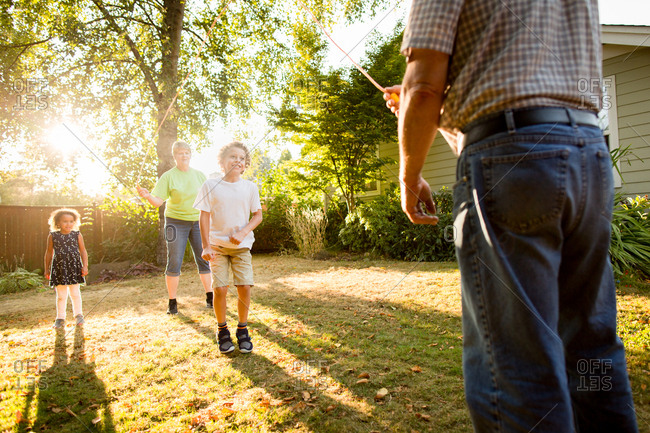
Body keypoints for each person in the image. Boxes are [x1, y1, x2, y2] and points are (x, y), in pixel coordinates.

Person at [384, 1, 639, 432]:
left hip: (513, 163)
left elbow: (425, 87)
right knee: (592, 351)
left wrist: (409, 178)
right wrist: (441, 112)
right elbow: (511, 95)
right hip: (589, 153)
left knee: (518, 364)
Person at [194, 141, 263, 354]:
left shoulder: (250, 187)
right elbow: (203, 216)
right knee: (220, 288)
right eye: (233, 156)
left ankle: (242, 329)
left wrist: (243, 233)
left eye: (242, 158)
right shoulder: (210, 185)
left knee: (244, 286)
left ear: (245, 165)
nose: (238, 160)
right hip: (217, 247)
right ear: (222, 162)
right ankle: (222, 330)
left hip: (242, 247)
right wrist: (205, 246)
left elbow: (258, 215)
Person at [137, 140, 213, 315]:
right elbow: (157, 202)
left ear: (190, 154)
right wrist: (148, 195)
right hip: (174, 222)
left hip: (197, 222)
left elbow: (209, 200)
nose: (184, 155)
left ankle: (210, 296)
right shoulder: (168, 176)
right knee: (174, 260)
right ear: (175, 156)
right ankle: (172, 302)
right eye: (180, 153)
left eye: (187, 152)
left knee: (204, 258)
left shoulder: (200, 175)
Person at [44, 208, 88, 329]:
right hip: (59, 268)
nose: (68, 224)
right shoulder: (53, 236)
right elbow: (48, 253)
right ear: (58, 223)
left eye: (71, 221)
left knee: (75, 293)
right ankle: (60, 319)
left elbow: (83, 251)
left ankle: (79, 316)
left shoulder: (77, 235)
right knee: (61, 295)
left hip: (74, 267)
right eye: (65, 221)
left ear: (74, 222)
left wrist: (85, 266)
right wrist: (46, 269)